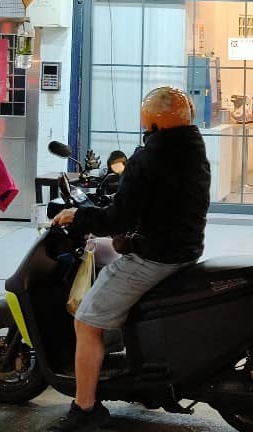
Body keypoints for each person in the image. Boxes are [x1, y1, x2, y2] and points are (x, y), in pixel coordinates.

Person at [47, 86, 211, 432]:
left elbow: (118, 220)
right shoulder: (193, 149)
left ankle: (85, 408)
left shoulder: (149, 159)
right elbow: (156, 204)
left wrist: (80, 216)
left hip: (155, 257)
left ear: (152, 122)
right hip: (184, 249)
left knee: (86, 321)